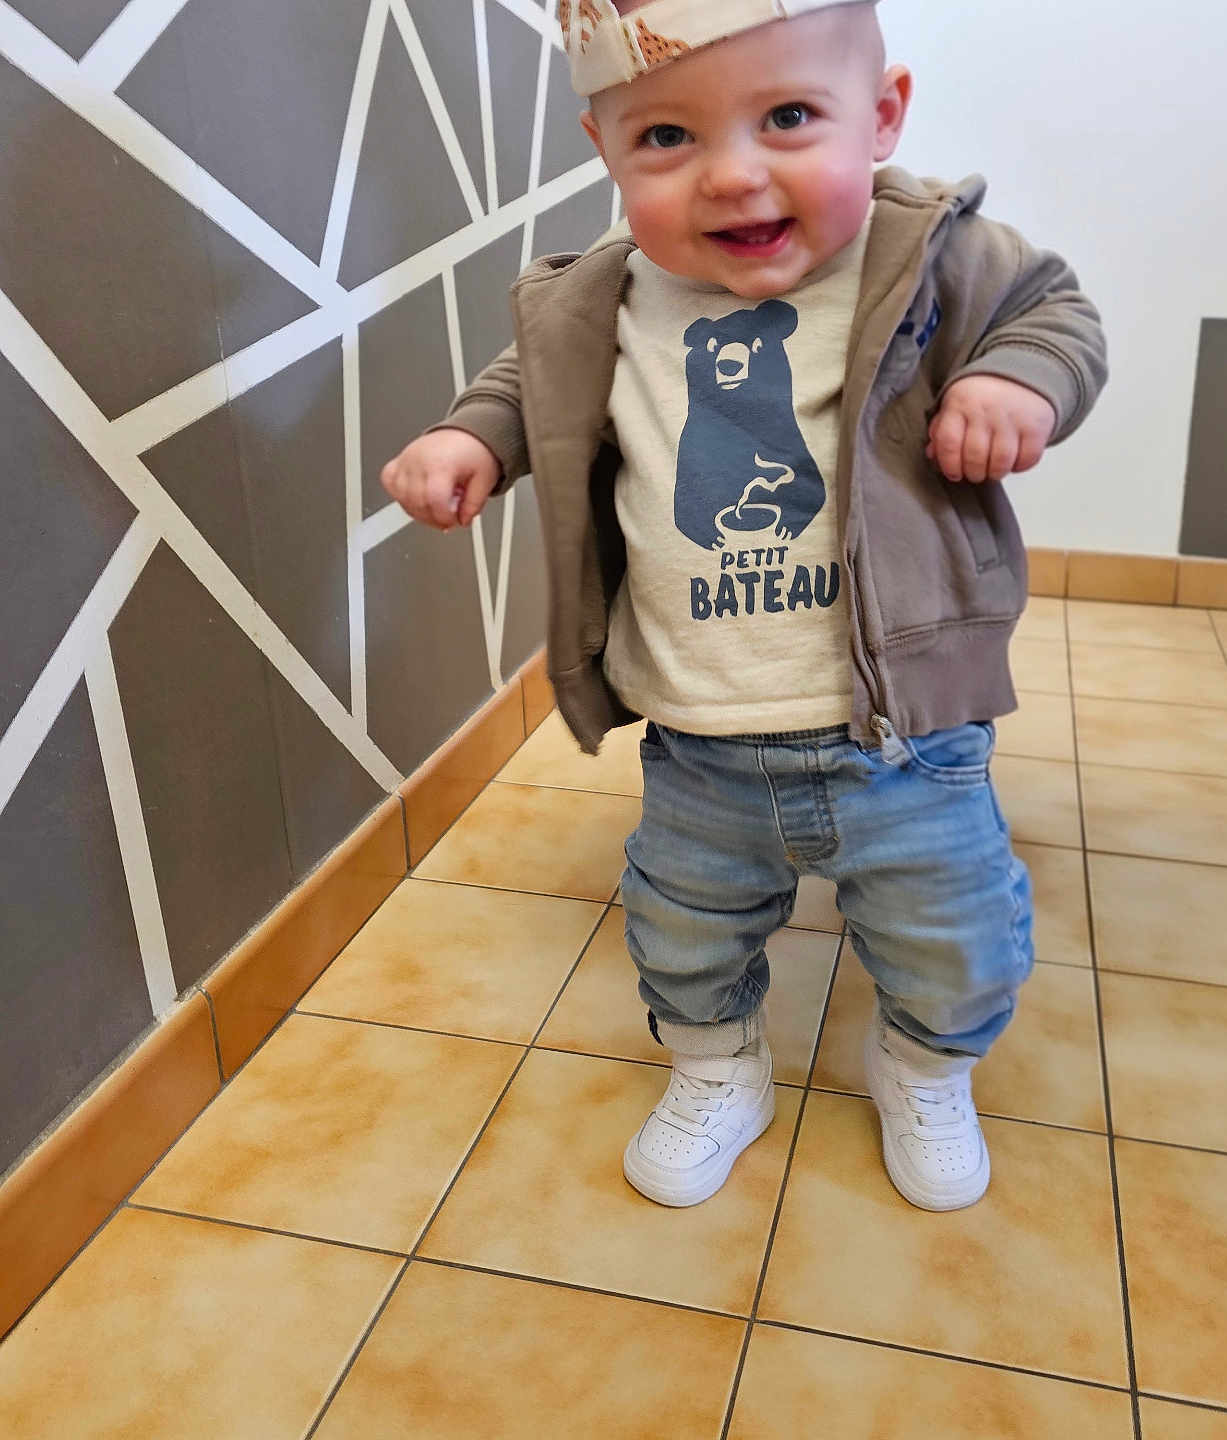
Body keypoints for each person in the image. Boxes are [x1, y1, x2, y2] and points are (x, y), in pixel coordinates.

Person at [381, 0, 1106, 1211]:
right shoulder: (607, 297)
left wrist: (1012, 382)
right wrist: (471, 437)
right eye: (667, 137)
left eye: (788, 116)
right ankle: (717, 1066)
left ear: (880, 116)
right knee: (683, 931)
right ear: (606, 148)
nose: (730, 175)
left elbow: (1056, 315)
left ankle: (924, 1063)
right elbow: (530, 383)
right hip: (700, 738)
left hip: (907, 739)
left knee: (955, 934)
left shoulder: (929, 257)